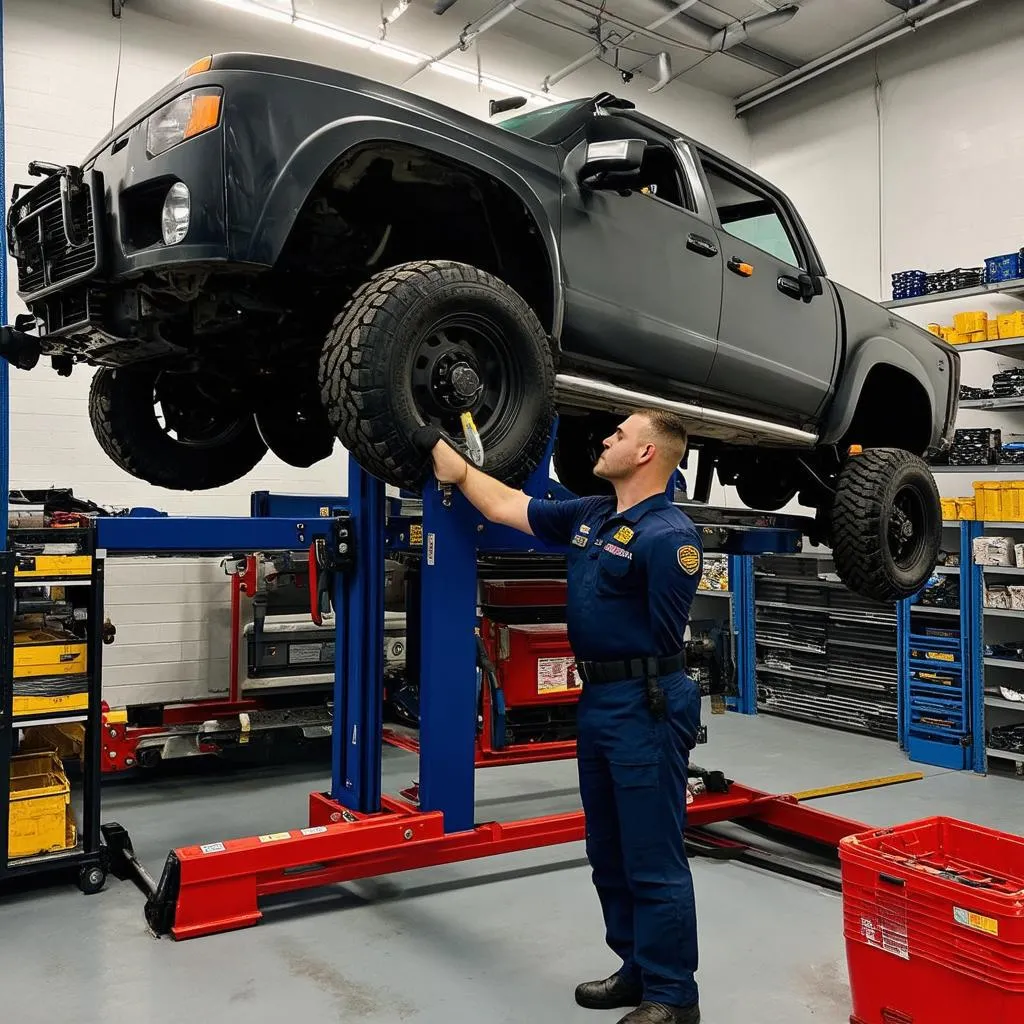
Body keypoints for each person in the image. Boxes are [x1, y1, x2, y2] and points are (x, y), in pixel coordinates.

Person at [425, 409, 703, 1024]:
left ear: (646, 455)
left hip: (646, 701)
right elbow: (507, 507)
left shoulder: (669, 536)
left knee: (652, 852)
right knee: (607, 847)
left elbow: (663, 638)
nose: (606, 440)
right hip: (600, 700)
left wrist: (658, 705)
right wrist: (459, 468)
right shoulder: (590, 514)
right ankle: (636, 967)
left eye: (621, 435)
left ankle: (674, 996)